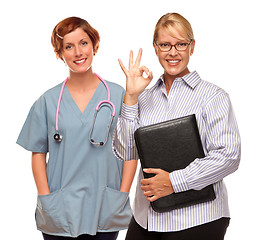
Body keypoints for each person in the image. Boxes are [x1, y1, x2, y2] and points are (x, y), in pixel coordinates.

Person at [112, 12, 241, 240]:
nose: (173, 52)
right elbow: (126, 152)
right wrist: (130, 97)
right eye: (165, 44)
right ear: (155, 47)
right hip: (146, 220)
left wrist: (174, 182)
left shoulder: (214, 97)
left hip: (199, 218)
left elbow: (228, 156)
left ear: (192, 46)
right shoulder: (144, 99)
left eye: (181, 44)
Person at [16, 17, 132, 240]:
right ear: (60, 54)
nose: (78, 52)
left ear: (94, 45)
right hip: (60, 209)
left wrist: (122, 195)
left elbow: (131, 151)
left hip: (105, 205)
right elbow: (38, 154)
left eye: (83, 43)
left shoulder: (118, 96)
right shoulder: (48, 101)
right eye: (69, 46)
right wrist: (45, 198)